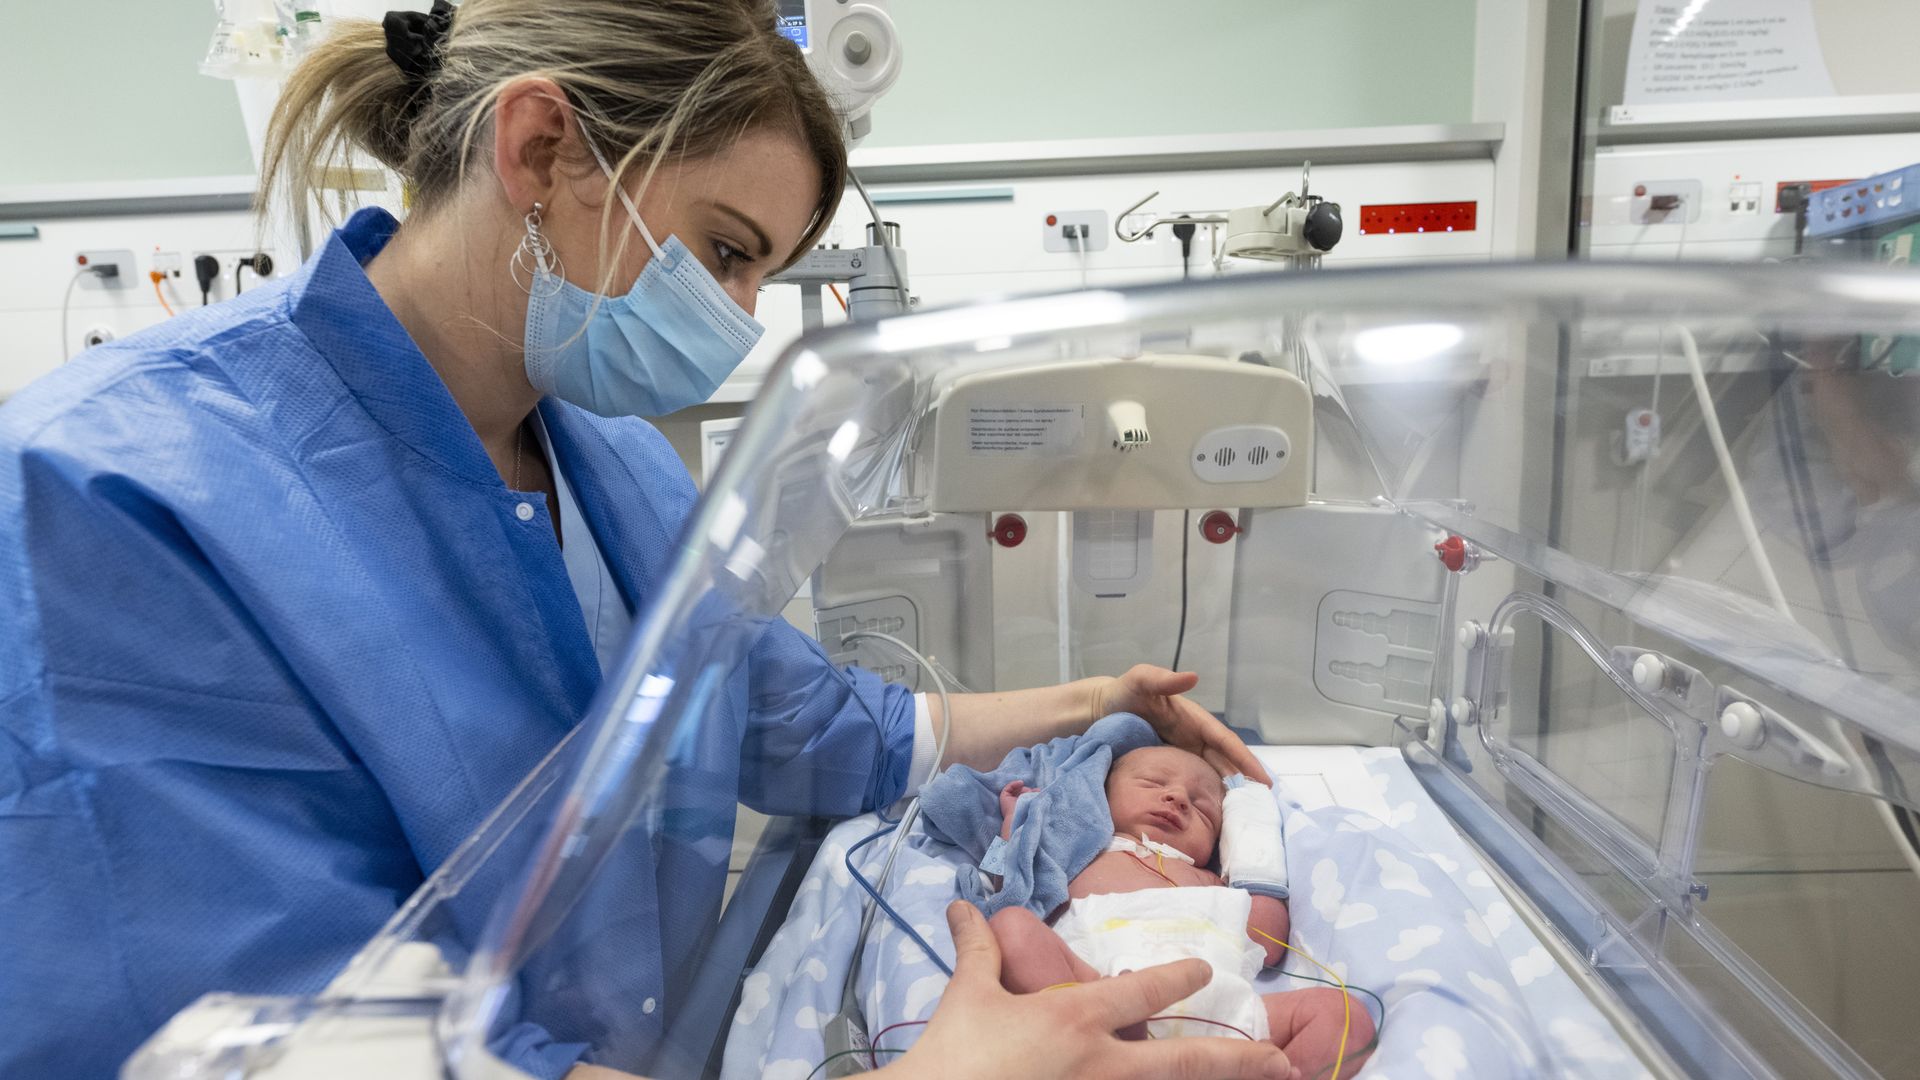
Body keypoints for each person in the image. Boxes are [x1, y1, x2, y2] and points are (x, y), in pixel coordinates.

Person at [0, 1, 1278, 1077]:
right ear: (541, 147)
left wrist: (1101, 704)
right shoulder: (109, 497)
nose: (738, 317)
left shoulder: (613, 461)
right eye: (723, 251)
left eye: (762, 274)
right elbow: (258, 1036)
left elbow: (808, 725)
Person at [986, 746, 1377, 1080]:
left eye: (1204, 809)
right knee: (1011, 926)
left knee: (1345, 1017)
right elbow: (1014, 886)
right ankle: (1081, 1043)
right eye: (1153, 783)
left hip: (1218, 1011)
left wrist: (1256, 858)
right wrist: (1018, 826)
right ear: (1099, 795)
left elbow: (1267, 941)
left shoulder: (1211, 881)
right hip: (1097, 1000)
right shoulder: (1082, 856)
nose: (1178, 798)